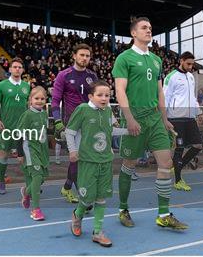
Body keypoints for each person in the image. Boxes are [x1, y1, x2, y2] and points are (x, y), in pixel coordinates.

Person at [112, 17, 187, 229]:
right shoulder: (124, 58)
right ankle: (123, 209)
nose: (149, 31)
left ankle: (163, 215)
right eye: (144, 28)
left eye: (151, 28)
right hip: (135, 117)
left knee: (165, 164)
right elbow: (119, 90)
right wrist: (129, 118)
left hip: (155, 119)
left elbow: (160, 92)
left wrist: (165, 119)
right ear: (133, 33)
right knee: (129, 165)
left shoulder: (156, 60)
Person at [68, 81, 128, 247]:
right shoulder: (82, 109)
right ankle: (77, 215)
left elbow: (111, 131)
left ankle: (97, 232)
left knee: (101, 197)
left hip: (105, 161)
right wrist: (72, 150)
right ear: (90, 96)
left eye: (107, 95)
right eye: (100, 95)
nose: (104, 98)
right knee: (87, 198)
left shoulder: (108, 110)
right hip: (88, 161)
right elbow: (70, 131)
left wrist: (128, 131)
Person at [51, 43, 98, 204]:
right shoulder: (63, 75)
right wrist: (57, 121)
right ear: (74, 56)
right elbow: (55, 100)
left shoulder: (93, 76)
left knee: (84, 159)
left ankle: (67, 187)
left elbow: (98, 99)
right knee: (77, 158)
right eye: (82, 55)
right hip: (71, 124)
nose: (85, 58)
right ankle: (83, 194)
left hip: (89, 123)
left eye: (87, 56)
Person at [163, 51, 203, 191]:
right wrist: (164, 118)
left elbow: (192, 98)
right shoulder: (171, 77)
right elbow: (165, 98)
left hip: (190, 117)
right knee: (179, 149)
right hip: (176, 117)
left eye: (192, 64)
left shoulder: (191, 77)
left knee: (198, 145)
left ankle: (177, 165)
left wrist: (199, 112)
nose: (191, 67)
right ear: (181, 61)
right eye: (188, 64)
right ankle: (178, 180)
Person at [0, 57, 30, 194]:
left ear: (23, 70)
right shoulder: (2, 85)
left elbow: (28, 106)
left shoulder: (27, 86)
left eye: (20, 67)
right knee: (3, 156)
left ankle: (29, 186)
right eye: (15, 67)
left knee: (25, 157)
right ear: (10, 69)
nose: (17, 69)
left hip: (22, 128)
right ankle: (1, 180)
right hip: (6, 127)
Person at [17, 86, 49, 221]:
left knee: (42, 178)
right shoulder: (27, 115)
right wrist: (19, 153)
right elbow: (19, 134)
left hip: (42, 150)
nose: (39, 101)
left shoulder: (44, 113)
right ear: (30, 100)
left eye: (42, 98)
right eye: (36, 98)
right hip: (30, 149)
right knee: (36, 177)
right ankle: (36, 210)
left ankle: (26, 191)